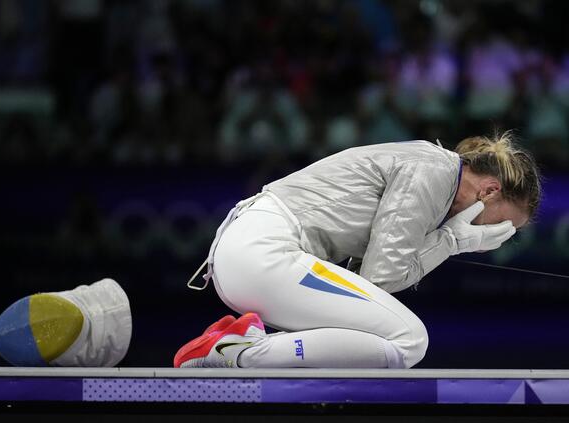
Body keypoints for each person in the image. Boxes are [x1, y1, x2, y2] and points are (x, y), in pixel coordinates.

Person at [173, 132, 541, 369]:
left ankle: (245, 341)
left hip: (252, 256)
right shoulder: (435, 171)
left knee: (376, 337)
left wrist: (446, 239)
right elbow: (382, 278)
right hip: (262, 250)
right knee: (409, 338)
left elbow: (365, 279)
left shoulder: (438, 182)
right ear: (490, 191)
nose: (497, 234)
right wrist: (452, 242)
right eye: (503, 224)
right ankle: (238, 354)